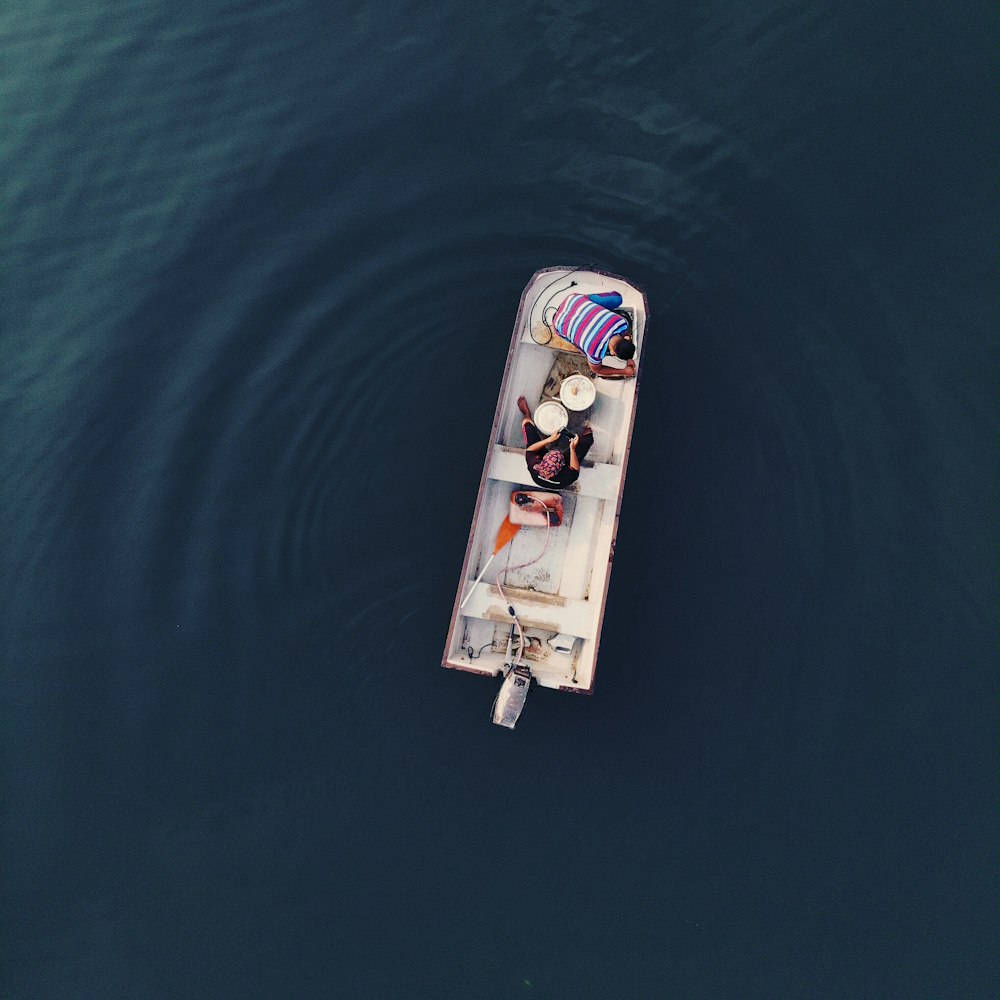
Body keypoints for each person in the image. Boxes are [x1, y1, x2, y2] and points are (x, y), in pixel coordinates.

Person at [551, 290, 636, 379]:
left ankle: (593, 309)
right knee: (584, 349)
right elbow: (597, 370)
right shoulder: (595, 352)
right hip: (557, 322)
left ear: (626, 339)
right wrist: (623, 372)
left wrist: (629, 358)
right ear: (612, 353)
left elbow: (626, 334)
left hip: (573, 300)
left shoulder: (621, 322)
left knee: (617, 298)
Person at [517, 396, 594, 488]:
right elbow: (575, 469)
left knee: (527, 426)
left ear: (543, 459)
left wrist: (549, 439)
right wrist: (572, 449)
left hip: (542, 473)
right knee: (587, 440)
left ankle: (526, 414)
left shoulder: (534, 465)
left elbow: (530, 450)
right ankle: (587, 431)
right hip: (560, 477)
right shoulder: (568, 477)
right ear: (563, 465)